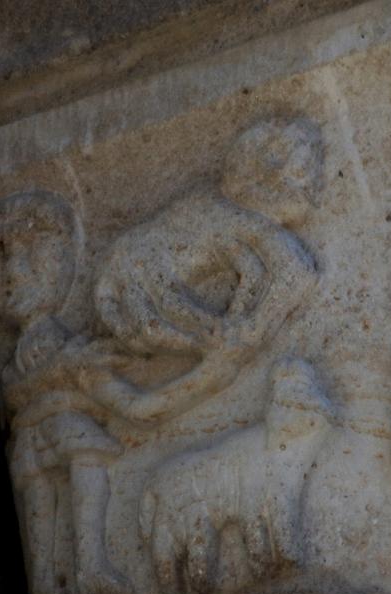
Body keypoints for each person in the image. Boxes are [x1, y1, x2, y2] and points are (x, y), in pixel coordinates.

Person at [80, 117, 323, 422]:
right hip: (137, 291)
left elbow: (290, 271)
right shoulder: (229, 213)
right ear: (266, 174)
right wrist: (247, 331)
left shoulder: (223, 213)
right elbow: (296, 270)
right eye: (299, 172)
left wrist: (245, 330)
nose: (312, 191)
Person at [0, 192, 131, 594]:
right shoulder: (30, 347)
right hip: (41, 427)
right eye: (4, 276)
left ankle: (90, 565)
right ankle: (47, 585)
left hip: (62, 421)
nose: (14, 279)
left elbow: (86, 381)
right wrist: (66, 369)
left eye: (29, 267)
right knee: (43, 503)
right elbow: (13, 391)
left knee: (81, 473)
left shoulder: (59, 337)